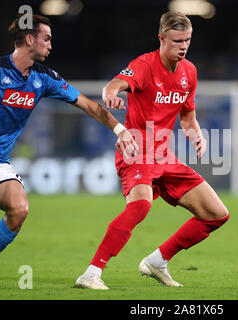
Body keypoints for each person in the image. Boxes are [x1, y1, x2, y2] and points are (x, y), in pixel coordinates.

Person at [0, 14, 137, 289]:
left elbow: (87, 105)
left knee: (19, 210)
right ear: (30, 39)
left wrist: (120, 130)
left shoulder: (44, 78)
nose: (51, 46)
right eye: (46, 39)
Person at [75, 11, 230, 290]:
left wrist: (197, 135)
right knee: (140, 206)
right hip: (135, 150)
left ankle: (157, 261)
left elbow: (187, 116)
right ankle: (91, 273)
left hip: (164, 156)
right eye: (177, 40)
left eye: (187, 40)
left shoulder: (189, 72)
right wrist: (111, 93)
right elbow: (114, 85)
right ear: (161, 39)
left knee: (217, 213)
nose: (183, 46)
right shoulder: (144, 65)